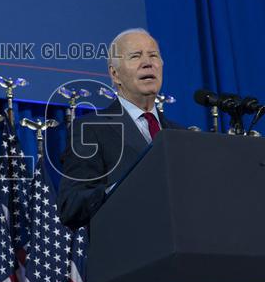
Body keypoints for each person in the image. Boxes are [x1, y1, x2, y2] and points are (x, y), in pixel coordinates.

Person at [57, 28, 181, 230]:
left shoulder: (179, 136)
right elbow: (70, 205)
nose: (148, 62)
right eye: (135, 56)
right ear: (115, 74)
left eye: (153, 55)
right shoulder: (91, 129)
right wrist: (118, 190)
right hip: (127, 252)